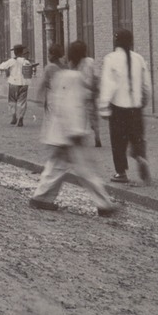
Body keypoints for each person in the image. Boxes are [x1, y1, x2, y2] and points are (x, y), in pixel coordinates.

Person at [29, 40, 119, 214]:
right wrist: (76, 132)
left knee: (55, 167)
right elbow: (71, 107)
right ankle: (104, 204)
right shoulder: (75, 78)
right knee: (86, 170)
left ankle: (40, 198)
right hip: (70, 133)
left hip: (58, 132)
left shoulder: (62, 75)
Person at [99, 28, 153, 185]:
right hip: (135, 108)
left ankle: (121, 172)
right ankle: (140, 156)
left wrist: (103, 106)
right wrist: (143, 102)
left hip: (118, 109)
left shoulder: (111, 58)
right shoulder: (139, 59)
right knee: (136, 138)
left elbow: (108, 85)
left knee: (118, 142)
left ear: (116, 41)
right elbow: (146, 85)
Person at [75, 41, 102, 148]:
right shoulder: (91, 61)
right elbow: (96, 76)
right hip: (90, 93)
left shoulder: (76, 64)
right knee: (94, 116)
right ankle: (97, 136)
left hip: (80, 93)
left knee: (81, 116)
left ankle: (80, 137)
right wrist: (96, 89)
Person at [0, 44, 32, 126]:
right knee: (22, 102)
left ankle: (13, 117)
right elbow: (29, 69)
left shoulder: (11, 61)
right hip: (24, 83)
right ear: (22, 52)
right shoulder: (26, 61)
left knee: (12, 101)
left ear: (15, 52)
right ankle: (20, 118)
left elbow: (1, 67)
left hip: (13, 83)